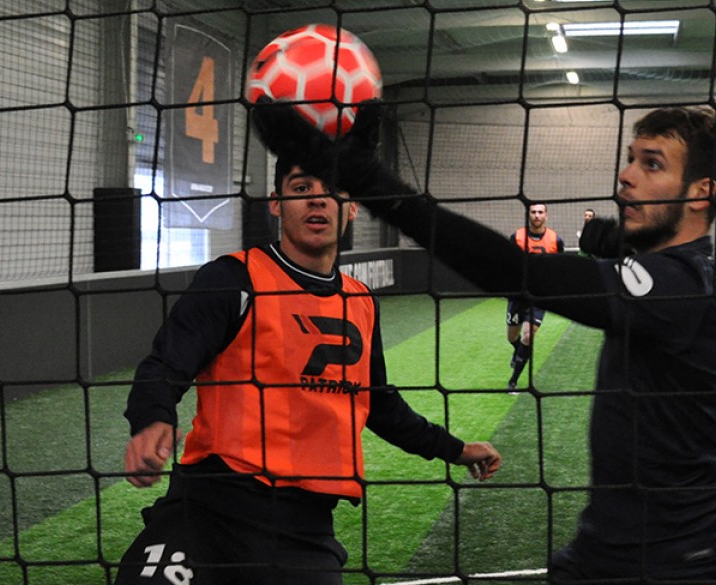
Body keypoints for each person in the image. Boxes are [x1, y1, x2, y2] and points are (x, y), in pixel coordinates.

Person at [252, 103, 716, 584]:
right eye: (631, 158)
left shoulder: (682, 286)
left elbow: (517, 272)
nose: (627, 174)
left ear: (702, 192)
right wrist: (616, 242)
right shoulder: (673, 274)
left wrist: (369, 181)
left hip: (688, 561)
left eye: (652, 164)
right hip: (610, 549)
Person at [115, 153, 502, 585]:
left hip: (304, 529)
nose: (317, 202)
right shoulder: (234, 279)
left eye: (332, 192)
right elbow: (166, 362)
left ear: (352, 207)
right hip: (209, 510)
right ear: (277, 203)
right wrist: (152, 419)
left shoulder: (360, 301)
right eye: (301, 190)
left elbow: (380, 406)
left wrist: (455, 449)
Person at [507, 203, 565, 391]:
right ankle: (519, 354)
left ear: (546, 215)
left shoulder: (556, 240)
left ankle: (513, 381)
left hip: (539, 296)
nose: (537, 215)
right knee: (512, 337)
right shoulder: (516, 237)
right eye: (533, 212)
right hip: (517, 295)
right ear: (528, 215)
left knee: (528, 336)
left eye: (540, 212)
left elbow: (560, 267)